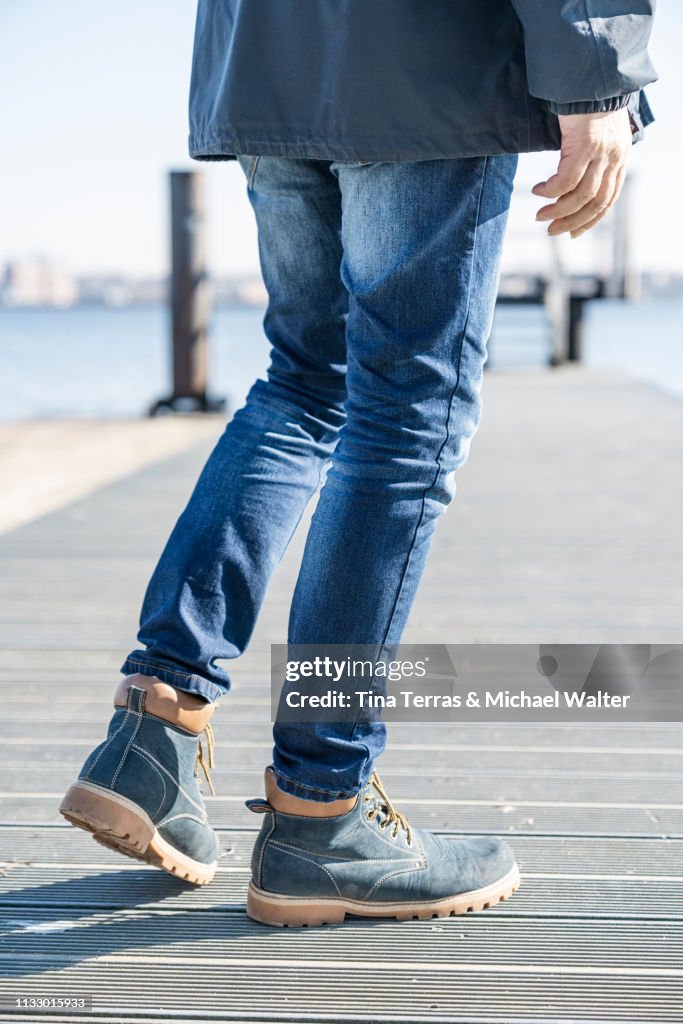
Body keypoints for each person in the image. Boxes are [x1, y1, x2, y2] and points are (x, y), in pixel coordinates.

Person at [60, 1, 657, 927]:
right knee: (406, 417)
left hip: (266, 60)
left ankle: (156, 719)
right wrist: (596, 70)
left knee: (306, 383)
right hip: (426, 63)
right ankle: (321, 809)